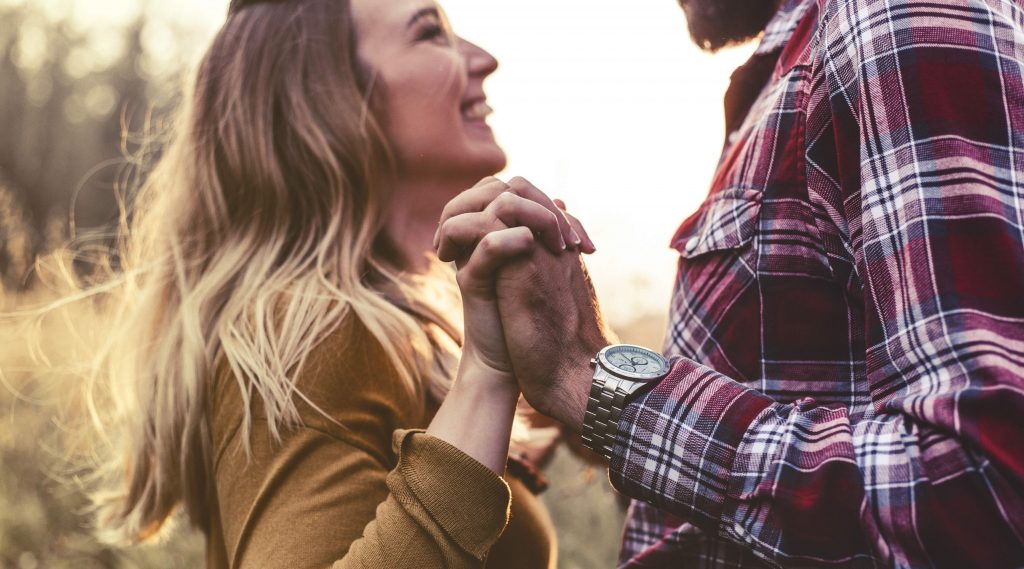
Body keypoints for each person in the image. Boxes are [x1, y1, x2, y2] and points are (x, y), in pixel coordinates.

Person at [436, 0, 1024, 566]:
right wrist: (596, 395)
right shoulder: (804, 61)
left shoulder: (888, 17)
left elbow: (984, 491)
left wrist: (593, 380)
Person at [57, 0, 592, 567]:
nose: (484, 59)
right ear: (329, 97)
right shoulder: (312, 331)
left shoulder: (400, 327)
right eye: (430, 32)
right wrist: (486, 378)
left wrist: (563, 373)